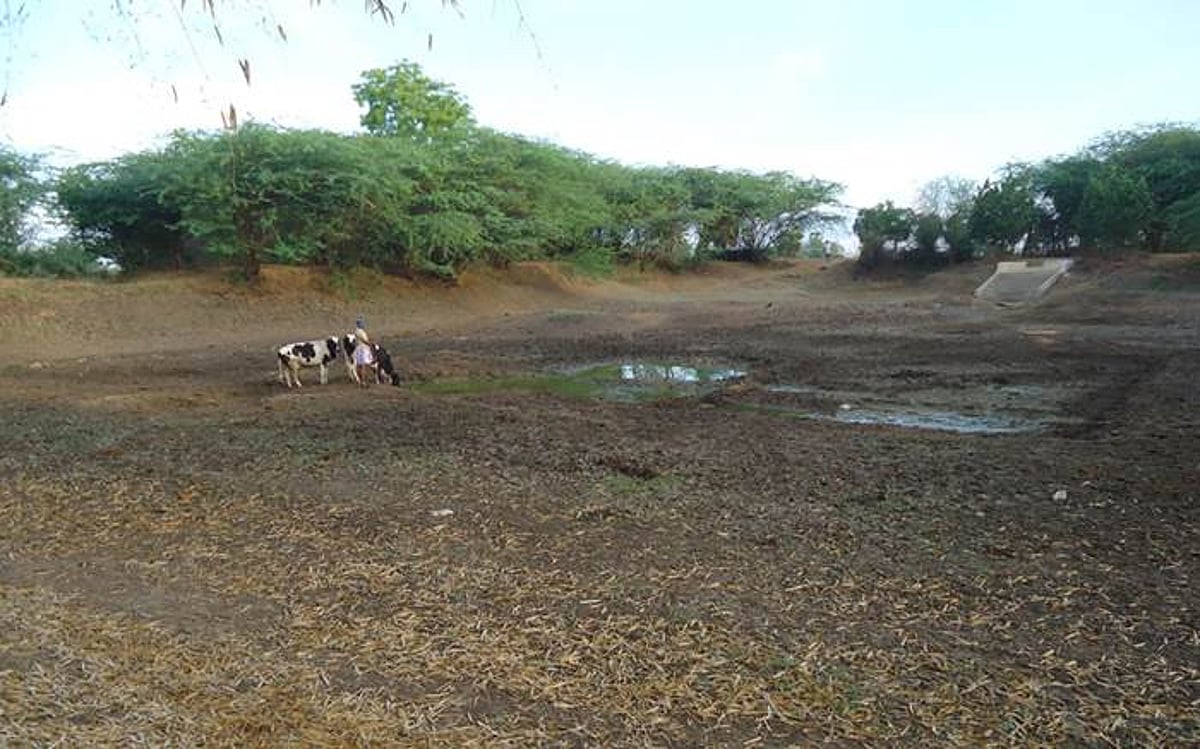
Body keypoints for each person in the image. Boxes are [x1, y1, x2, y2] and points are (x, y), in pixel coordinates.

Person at [353, 314, 376, 386]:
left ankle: (361, 381)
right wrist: (371, 344)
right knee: (364, 365)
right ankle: (363, 381)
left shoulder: (357, 331)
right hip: (363, 349)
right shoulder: (360, 332)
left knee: (360, 365)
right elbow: (365, 341)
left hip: (359, 348)